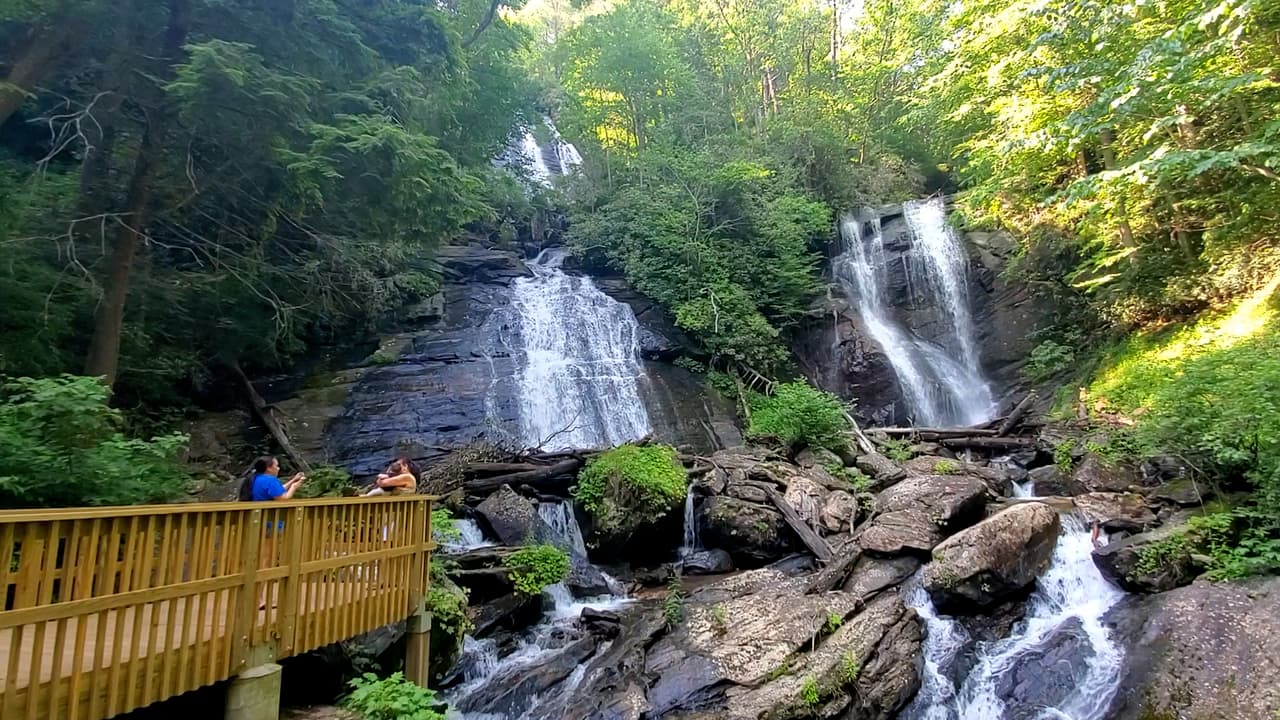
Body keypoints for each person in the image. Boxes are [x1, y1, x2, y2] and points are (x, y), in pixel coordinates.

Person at [238, 456, 306, 502]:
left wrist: (293, 480)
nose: (278, 468)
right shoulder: (270, 480)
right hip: (268, 518)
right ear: (269, 468)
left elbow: (278, 490)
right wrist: (294, 486)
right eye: (276, 466)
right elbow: (283, 498)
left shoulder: (256, 478)